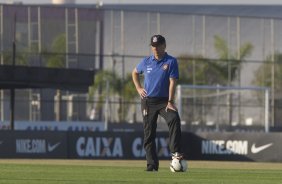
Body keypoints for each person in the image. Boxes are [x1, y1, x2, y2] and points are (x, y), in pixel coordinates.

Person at [132, 34, 183, 171]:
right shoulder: (146, 61)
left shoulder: (171, 61)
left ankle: (176, 154)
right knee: (149, 134)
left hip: (164, 101)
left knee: (174, 118)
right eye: (153, 46)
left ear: (164, 46)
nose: (154, 48)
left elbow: (173, 82)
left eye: (157, 46)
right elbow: (135, 73)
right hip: (148, 101)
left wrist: (170, 101)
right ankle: (152, 165)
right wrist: (138, 88)